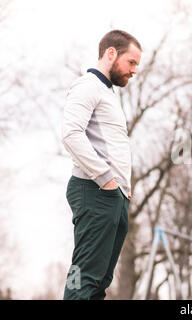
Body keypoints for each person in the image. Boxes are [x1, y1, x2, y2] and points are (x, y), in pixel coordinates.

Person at [61, 30, 142, 299]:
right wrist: (107, 179)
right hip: (95, 191)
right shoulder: (87, 86)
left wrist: (123, 189)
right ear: (111, 54)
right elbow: (71, 134)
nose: (133, 71)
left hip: (113, 196)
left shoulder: (108, 94)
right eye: (131, 62)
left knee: (98, 284)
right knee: (83, 278)